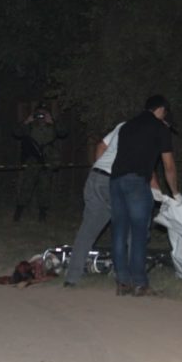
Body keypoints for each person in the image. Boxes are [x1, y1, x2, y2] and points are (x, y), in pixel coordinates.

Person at [110, 95, 181, 297]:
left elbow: (134, 155)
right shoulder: (160, 128)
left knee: (119, 232)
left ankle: (122, 282)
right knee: (139, 233)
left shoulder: (127, 126)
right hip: (135, 183)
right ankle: (140, 283)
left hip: (115, 181)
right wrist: (175, 193)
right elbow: (169, 165)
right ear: (161, 110)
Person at [62, 121, 124, 287]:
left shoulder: (123, 125)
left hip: (95, 177)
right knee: (125, 227)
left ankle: (71, 278)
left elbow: (101, 146)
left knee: (87, 230)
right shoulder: (147, 132)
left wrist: (99, 171)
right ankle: (123, 275)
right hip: (114, 181)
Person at [12, 102, 68, 222]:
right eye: (39, 114)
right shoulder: (30, 125)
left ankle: (42, 214)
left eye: (44, 113)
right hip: (32, 159)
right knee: (26, 185)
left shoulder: (52, 124)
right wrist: (27, 121)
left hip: (47, 159)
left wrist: (53, 122)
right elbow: (16, 132)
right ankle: (18, 212)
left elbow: (63, 132)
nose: (41, 116)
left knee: (45, 186)